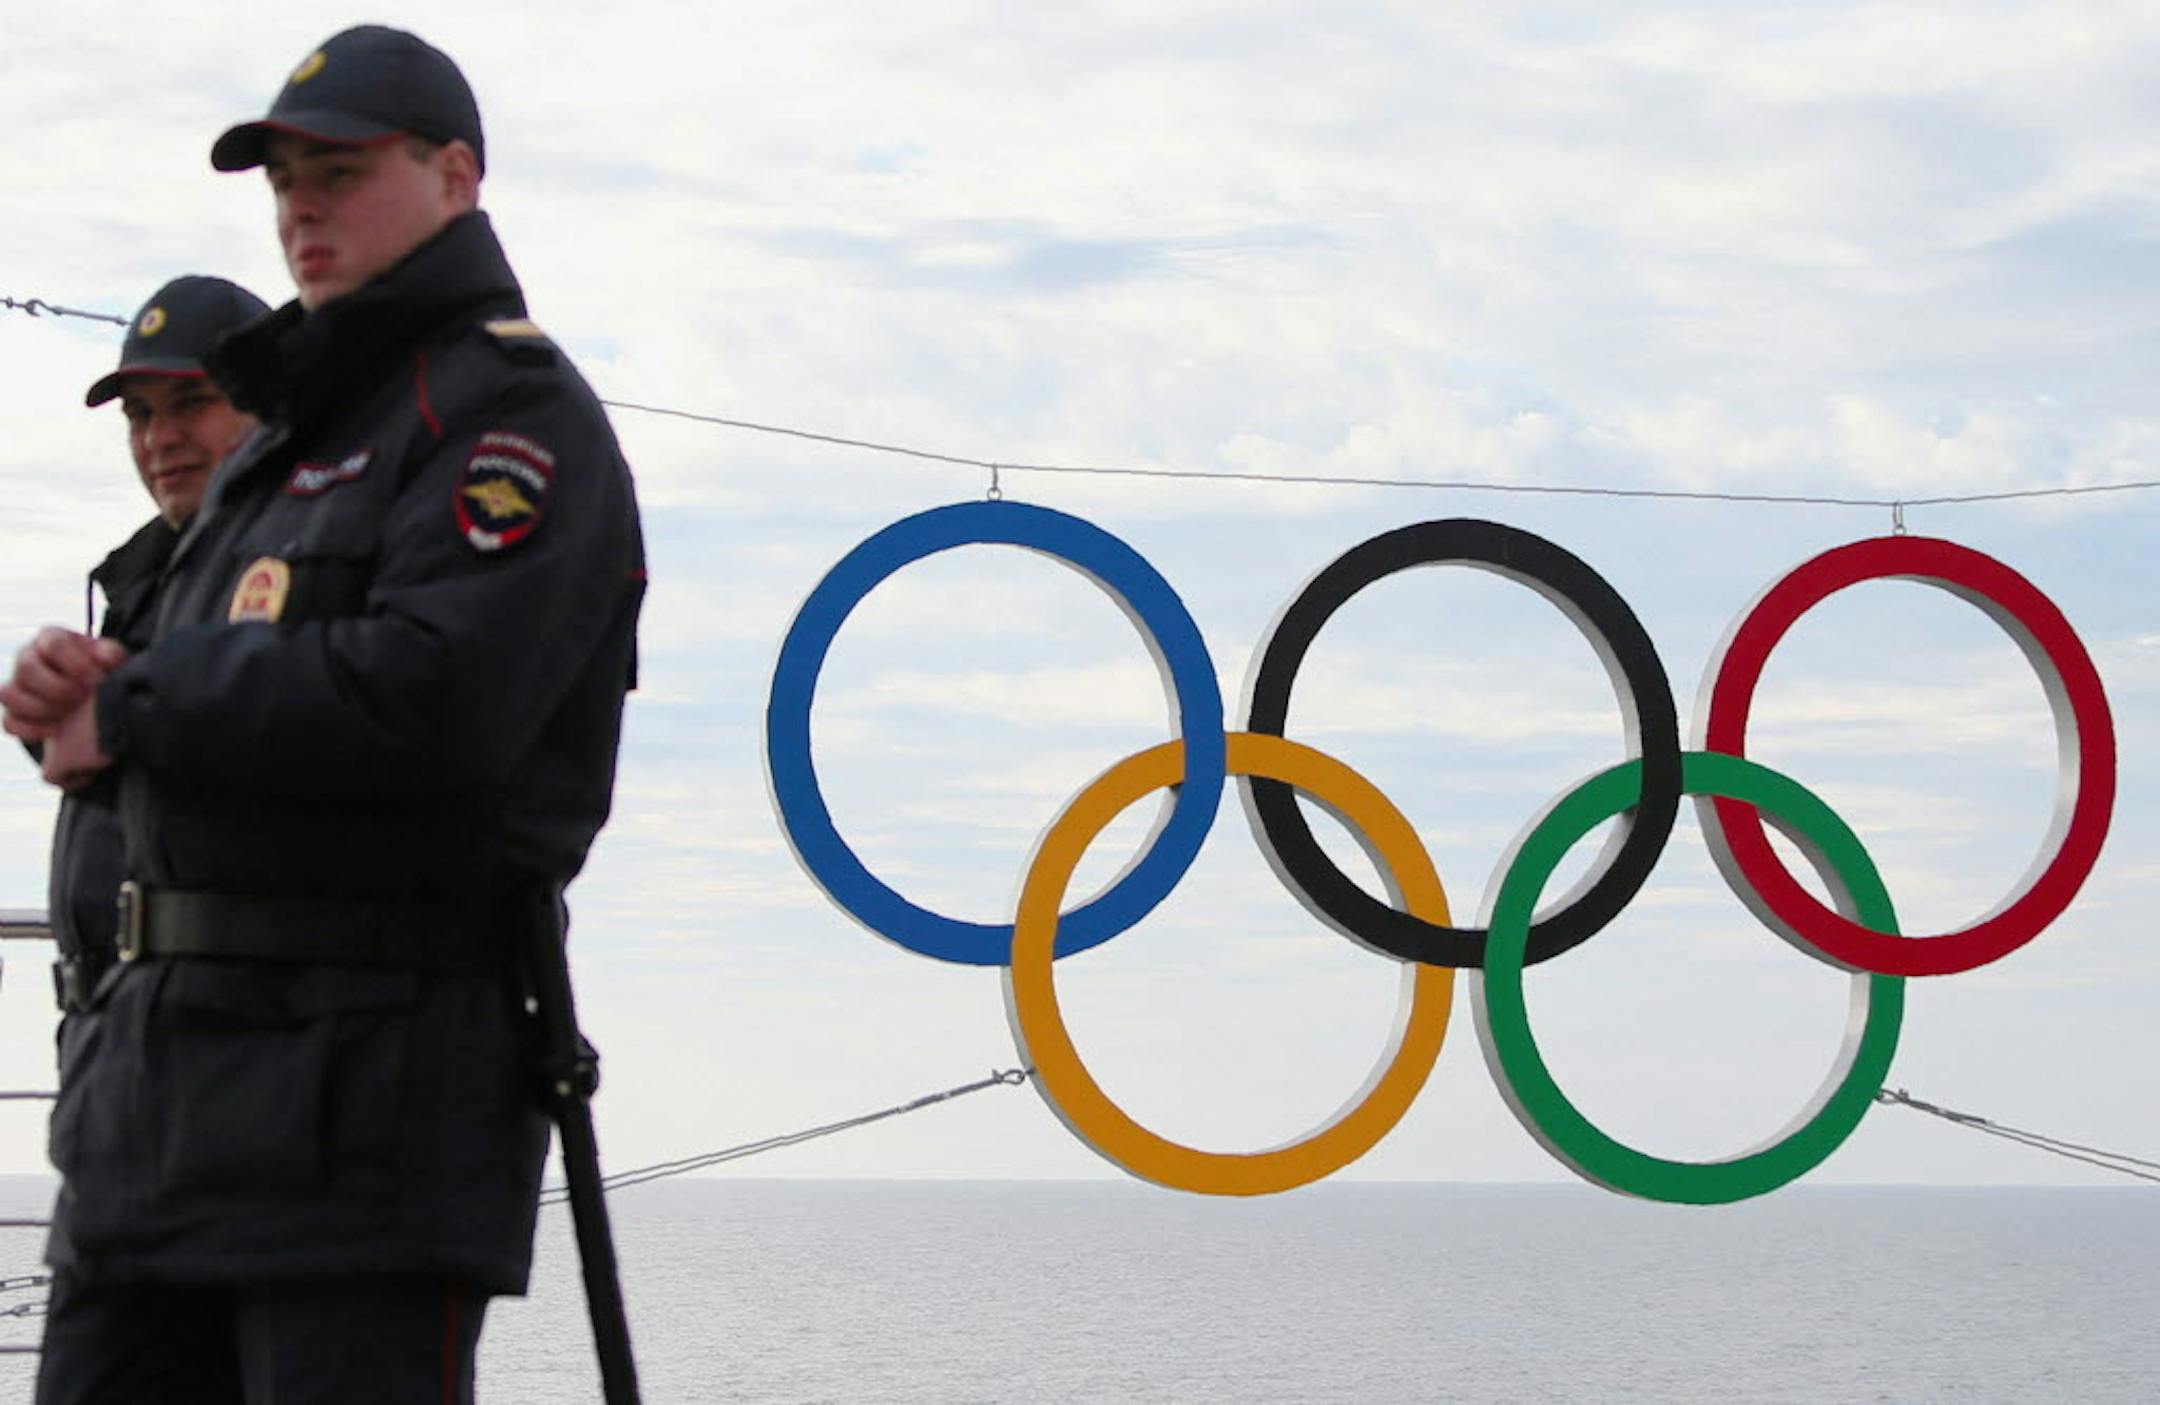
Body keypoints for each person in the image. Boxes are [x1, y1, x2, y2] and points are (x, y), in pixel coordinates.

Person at [7, 25, 646, 1403]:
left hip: (359, 1124)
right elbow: (174, 721)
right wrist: (82, 698)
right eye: (286, 178)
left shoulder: (508, 416)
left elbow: (442, 697)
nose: (302, 205)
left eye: (341, 171)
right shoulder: (280, 448)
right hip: (151, 1125)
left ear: (456, 175)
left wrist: (144, 703)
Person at [10, 276, 268, 1026]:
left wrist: (125, 708)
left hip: (230, 1038)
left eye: (191, 403)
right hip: (120, 1040)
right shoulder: (147, 582)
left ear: (271, 402)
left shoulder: (293, 567)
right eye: (140, 414)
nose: (160, 438)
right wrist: (55, 704)